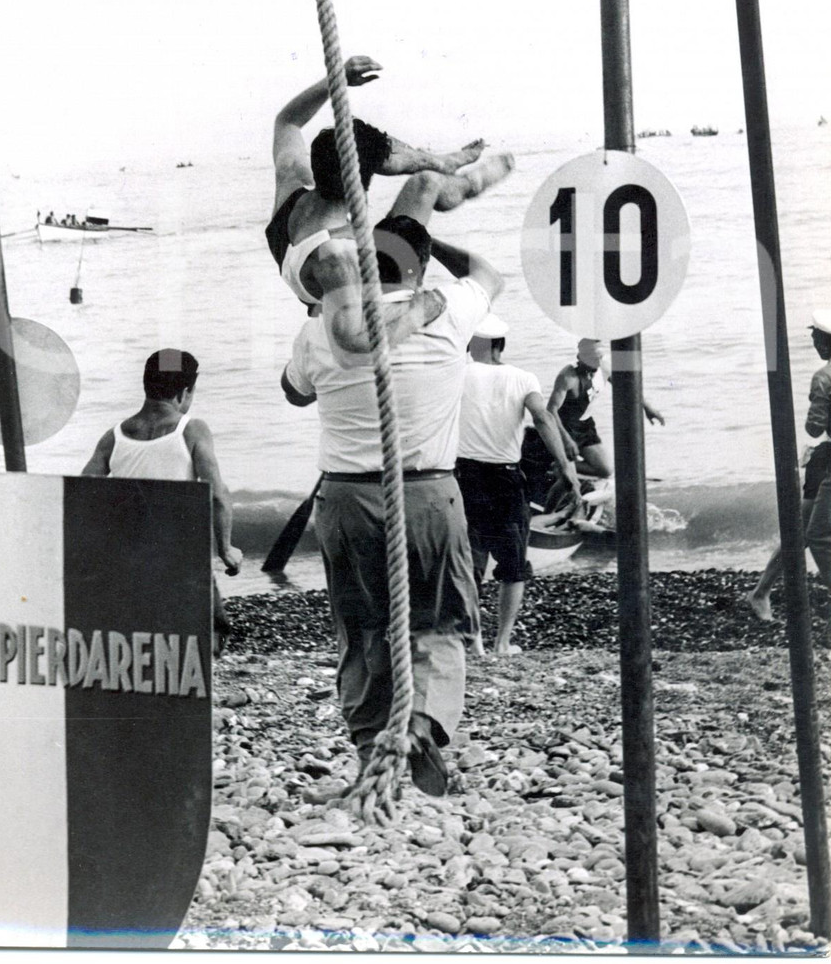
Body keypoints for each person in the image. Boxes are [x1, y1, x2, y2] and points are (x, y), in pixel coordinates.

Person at [281, 214, 503, 796]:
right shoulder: (447, 308)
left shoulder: (325, 328)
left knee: (360, 628)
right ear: (420, 265)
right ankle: (423, 724)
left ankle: (367, 749)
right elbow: (487, 273)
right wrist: (430, 246)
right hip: (427, 492)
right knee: (437, 621)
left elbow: (293, 391)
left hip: (346, 497)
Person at [266, 56, 513, 354]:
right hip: (360, 285)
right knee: (428, 184)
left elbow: (288, 121)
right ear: (365, 183)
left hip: (299, 250)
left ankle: (440, 163)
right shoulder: (339, 257)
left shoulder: (295, 177)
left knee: (420, 180)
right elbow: (354, 340)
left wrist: (336, 80)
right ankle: (455, 176)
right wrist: (420, 311)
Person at [82, 349, 243, 656]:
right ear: (184, 392)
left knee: (142, 632)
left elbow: (84, 491)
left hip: (129, 555)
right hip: (180, 557)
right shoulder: (191, 430)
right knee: (211, 629)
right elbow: (218, 494)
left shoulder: (114, 436)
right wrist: (226, 550)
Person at [456, 315, 581, 657]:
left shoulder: (456, 374)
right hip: (505, 477)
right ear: (501, 345)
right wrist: (568, 468)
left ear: (470, 344)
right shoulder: (523, 378)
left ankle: (475, 641)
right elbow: (542, 418)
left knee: (471, 560)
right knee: (513, 564)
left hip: (462, 476)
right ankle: (502, 642)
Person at [747, 311, 831, 620]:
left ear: (828, 342)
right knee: (810, 531)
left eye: (816, 338)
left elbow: (813, 428)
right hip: (827, 459)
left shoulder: (825, 377)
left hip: (825, 457)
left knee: (808, 531)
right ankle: (760, 593)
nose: (813, 343)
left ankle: (761, 593)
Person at [521, 338, 665, 495]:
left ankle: (561, 467)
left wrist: (648, 408)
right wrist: (567, 439)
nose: (597, 363)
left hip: (585, 425)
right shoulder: (568, 377)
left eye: (600, 357)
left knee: (605, 469)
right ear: (580, 358)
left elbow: (626, 387)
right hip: (564, 427)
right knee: (568, 481)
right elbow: (552, 410)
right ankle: (562, 469)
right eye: (593, 359)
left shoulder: (604, 367)